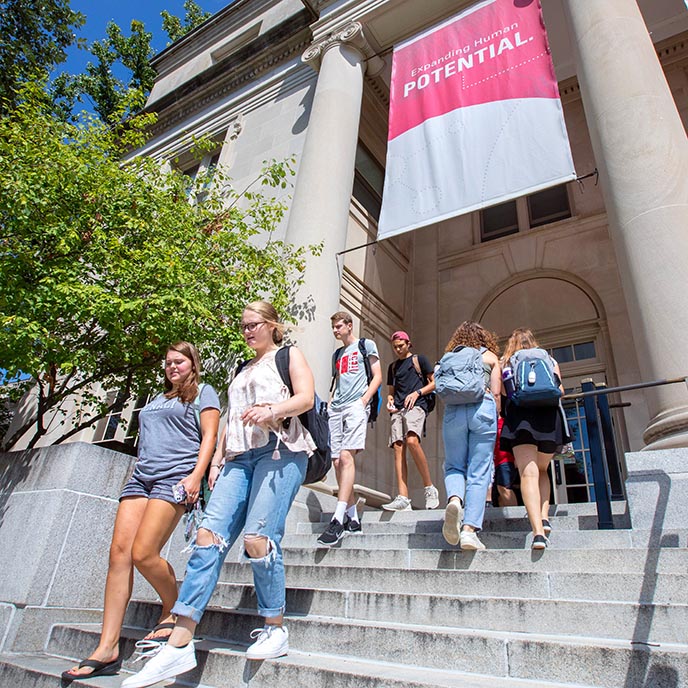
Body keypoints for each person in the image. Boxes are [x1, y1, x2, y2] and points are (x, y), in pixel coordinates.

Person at [122, 301, 316, 688]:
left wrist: (273, 409)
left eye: (253, 325)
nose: (247, 332)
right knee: (207, 537)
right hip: (239, 460)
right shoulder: (240, 368)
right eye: (243, 326)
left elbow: (306, 397)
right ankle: (179, 643)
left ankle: (274, 626)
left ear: (271, 324)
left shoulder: (288, 354)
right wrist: (215, 462)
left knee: (258, 540)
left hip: (281, 452)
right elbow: (230, 416)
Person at [61, 342, 220, 681]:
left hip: (175, 477)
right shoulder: (157, 400)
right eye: (168, 363)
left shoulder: (204, 393)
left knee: (144, 553)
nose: (172, 367)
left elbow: (210, 437)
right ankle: (107, 646)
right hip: (141, 477)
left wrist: (196, 476)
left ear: (193, 364)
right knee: (119, 554)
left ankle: (175, 605)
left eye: (178, 361)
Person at [500, 328, 570, 550]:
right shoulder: (549, 359)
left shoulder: (507, 362)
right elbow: (561, 390)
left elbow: (504, 393)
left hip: (521, 419)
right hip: (548, 419)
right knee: (542, 470)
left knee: (527, 474)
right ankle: (545, 516)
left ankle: (538, 533)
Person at [317, 311, 381, 546]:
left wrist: (364, 400)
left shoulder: (366, 345)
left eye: (338, 326)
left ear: (349, 326)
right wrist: (332, 402)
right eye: (333, 327)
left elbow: (378, 376)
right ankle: (353, 517)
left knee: (346, 457)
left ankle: (337, 517)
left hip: (356, 405)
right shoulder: (338, 353)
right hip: (337, 407)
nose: (335, 330)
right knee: (336, 461)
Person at [440, 322, 501, 551]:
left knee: (454, 465)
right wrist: (495, 415)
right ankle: (469, 531)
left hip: (454, 411)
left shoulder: (450, 356)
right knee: (480, 470)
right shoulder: (491, 357)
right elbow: (496, 392)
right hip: (482, 408)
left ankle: (455, 500)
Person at [382, 330, 439, 511]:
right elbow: (391, 392)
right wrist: (390, 401)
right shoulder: (392, 367)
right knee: (398, 448)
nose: (398, 349)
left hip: (417, 404)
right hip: (398, 408)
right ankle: (403, 497)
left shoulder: (419, 360)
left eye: (401, 346)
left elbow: (434, 382)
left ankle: (429, 488)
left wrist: (417, 392)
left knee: (412, 440)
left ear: (408, 344)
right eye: (395, 347)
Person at [492, 417, 519, 507]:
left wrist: (516, 457)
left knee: (503, 487)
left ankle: (516, 516)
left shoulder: (505, 422)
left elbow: (515, 439)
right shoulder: (488, 423)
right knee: (499, 496)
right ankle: (506, 520)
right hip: (492, 463)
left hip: (506, 460)